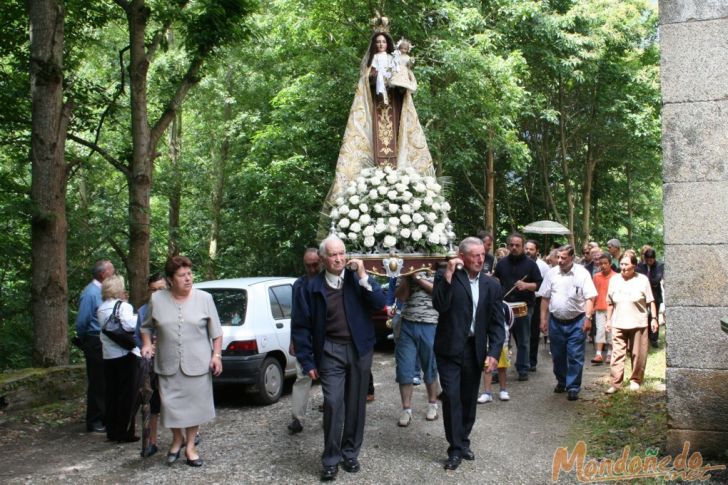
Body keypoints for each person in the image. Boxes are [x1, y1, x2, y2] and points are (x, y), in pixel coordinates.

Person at [291, 236, 385, 481]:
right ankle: (330, 459)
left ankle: (350, 453)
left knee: (356, 403)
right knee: (333, 403)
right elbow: (300, 327)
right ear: (323, 259)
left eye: (342, 253)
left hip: (359, 349)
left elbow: (379, 302)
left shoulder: (357, 280)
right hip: (329, 350)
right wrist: (308, 361)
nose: (339, 258)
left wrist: (364, 274)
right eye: (333, 254)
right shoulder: (311, 288)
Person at [325, 27, 434, 209]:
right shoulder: (372, 63)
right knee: (378, 143)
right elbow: (366, 81)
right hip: (376, 108)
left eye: (383, 42)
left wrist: (398, 81)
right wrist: (376, 77)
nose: (381, 44)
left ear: (388, 44)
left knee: (395, 142)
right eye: (378, 42)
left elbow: (404, 81)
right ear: (375, 45)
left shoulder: (394, 60)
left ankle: (399, 177)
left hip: (395, 107)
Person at [140, 256, 223, 468]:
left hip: (197, 364)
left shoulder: (205, 299)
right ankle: (177, 439)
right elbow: (146, 327)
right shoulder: (157, 299)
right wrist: (147, 344)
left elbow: (216, 333)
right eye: (181, 275)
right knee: (171, 406)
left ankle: (190, 447)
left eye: (189, 274)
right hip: (167, 364)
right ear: (170, 279)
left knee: (195, 407)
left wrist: (216, 356)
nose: (187, 278)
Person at [432, 237, 506, 471]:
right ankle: (454, 448)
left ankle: (463, 440)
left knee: (467, 400)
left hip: (474, 348)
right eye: (475, 255)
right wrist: (448, 274)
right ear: (461, 256)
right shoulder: (447, 276)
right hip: (449, 349)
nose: (480, 259)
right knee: (452, 397)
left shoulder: (491, 285)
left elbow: (496, 323)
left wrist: (494, 352)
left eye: (483, 254)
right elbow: (440, 305)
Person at [538, 245, 597, 401]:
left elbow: (590, 298)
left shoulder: (582, 273)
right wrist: (543, 319)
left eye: (563, 258)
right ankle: (561, 381)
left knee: (575, 356)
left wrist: (588, 318)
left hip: (577, 321)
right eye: (558, 257)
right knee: (557, 356)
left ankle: (573, 386)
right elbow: (545, 297)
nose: (560, 261)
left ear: (572, 257)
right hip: (556, 322)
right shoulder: (552, 274)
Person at [492, 233, 542, 382]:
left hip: (524, 306)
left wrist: (526, 285)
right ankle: (497, 370)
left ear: (522, 246)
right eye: (511, 245)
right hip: (504, 306)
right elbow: (497, 280)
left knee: (523, 340)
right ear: (508, 246)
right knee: (501, 339)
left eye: (517, 245)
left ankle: (523, 368)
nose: (514, 248)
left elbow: (539, 284)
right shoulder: (501, 263)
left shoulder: (531, 264)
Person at [605, 254, 657, 394]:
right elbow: (609, 302)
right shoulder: (614, 280)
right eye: (621, 264)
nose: (623, 267)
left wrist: (654, 319)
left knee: (638, 353)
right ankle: (615, 383)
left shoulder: (642, 280)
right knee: (617, 354)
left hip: (638, 322)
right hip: (618, 322)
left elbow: (650, 301)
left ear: (634, 265)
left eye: (626, 264)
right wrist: (608, 320)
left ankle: (635, 380)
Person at [393, 269, 439, 427]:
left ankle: (433, 404)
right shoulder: (404, 268)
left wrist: (417, 278)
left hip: (430, 323)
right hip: (407, 323)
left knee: (430, 367)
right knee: (404, 368)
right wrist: (407, 278)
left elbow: (439, 293)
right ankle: (406, 409)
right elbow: (400, 296)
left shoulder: (436, 267)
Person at [98, 275, 140, 443]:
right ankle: (125, 431)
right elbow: (130, 325)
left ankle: (112, 430)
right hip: (125, 354)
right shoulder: (123, 306)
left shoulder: (101, 308)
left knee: (112, 393)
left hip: (108, 355)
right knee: (127, 395)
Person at [76, 259, 115, 433]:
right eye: (111, 271)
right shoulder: (91, 293)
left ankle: (105, 417)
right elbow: (82, 321)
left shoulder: (102, 292)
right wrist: (87, 341)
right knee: (97, 381)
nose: (114, 274)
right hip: (94, 340)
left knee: (106, 380)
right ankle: (94, 421)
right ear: (103, 274)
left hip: (104, 339)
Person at [288, 248, 322, 434]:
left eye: (315, 265)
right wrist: (293, 340)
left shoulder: (329, 282)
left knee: (330, 377)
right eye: (308, 266)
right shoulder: (298, 285)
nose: (312, 269)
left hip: (327, 339)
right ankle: (297, 418)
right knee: (302, 377)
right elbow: (295, 316)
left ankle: (332, 413)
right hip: (305, 338)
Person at [134, 273, 167, 456]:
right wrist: (147, 347)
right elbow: (137, 337)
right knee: (152, 403)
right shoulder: (143, 311)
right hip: (152, 365)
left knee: (176, 402)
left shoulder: (176, 307)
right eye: (153, 290)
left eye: (160, 289)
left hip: (172, 363)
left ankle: (189, 437)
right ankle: (152, 442)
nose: (156, 294)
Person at [525, 239, 550, 371]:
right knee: (522, 333)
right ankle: (523, 358)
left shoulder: (543, 266)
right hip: (522, 301)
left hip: (537, 301)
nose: (528, 251)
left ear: (537, 251)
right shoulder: (520, 263)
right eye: (526, 249)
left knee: (534, 333)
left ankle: (531, 361)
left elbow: (545, 287)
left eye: (531, 249)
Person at [591, 253, 617, 365]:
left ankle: (610, 353)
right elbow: (593, 293)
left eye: (605, 263)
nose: (603, 266)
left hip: (612, 308)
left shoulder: (616, 276)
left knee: (611, 331)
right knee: (600, 330)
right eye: (601, 263)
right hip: (600, 307)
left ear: (610, 264)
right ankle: (598, 354)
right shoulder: (596, 276)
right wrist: (591, 307)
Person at [636, 248, 664, 348]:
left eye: (651, 260)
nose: (649, 262)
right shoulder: (640, 266)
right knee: (644, 317)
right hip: (643, 296)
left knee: (654, 316)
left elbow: (657, 279)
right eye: (647, 260)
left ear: (654, 258)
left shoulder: (659, 266)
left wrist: (647, 281)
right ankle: (644, 337)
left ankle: (654, 339)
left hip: (655, 296)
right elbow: (638, 278)